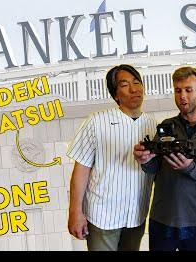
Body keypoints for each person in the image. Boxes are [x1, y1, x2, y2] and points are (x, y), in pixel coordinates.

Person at [134, 66, 196, 251]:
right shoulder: (166, 127)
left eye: (188, 90)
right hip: (162, 220)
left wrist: (190, 168)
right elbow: (154, 168)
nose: (182, 96)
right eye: (178, 91)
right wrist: (144, 160)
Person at [67, 64, 157, 251]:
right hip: (102, 216)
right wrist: (75, 212)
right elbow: (81, 169)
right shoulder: (96, 122)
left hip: (136, 215)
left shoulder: (152, 124)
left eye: (136, 82)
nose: (134, 89)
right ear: (115, 94)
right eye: (124, 85)